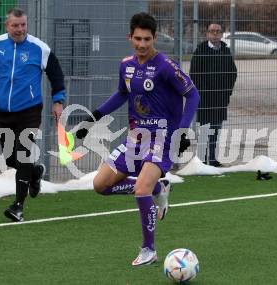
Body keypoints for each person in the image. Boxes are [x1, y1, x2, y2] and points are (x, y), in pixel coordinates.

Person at [76, 12, 199, 266]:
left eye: (147, 39)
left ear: (154, 38)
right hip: (136, 138)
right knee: (100, 186)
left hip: (163, 139)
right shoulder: (126, 65)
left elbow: (193, 94)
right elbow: (122, 94)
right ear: (130, 37)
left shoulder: (166, 66)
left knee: (139, 189)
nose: (142, 44)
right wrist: (93, 117)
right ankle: (158, 188)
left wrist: (183, 131)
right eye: (137, 39)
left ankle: (149, 249)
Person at [0, 7, 65, 222]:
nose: (20, 29)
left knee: (23, 153)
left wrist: (58, 100)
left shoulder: (39, 48)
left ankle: (18, 205)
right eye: (15, 25)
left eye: (23, 25)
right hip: (3, 111)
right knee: (9, 157)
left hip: (30, 110)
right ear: (7, 25)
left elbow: (56, 73)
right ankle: (34, 173)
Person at [190, 23, 237, 167]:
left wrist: (226, 92)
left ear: (222, 34)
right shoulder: (200, 50)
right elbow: (194, 74)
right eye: (212, 31)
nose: (215, 34)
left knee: (216, 129)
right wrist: (202, 91)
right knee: (204, 129)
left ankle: (213, 159)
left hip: (220, 98)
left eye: (218, 31)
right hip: (205, 98)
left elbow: (233, 73)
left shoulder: (225, 50)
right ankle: (202, 160)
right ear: (207, 34)